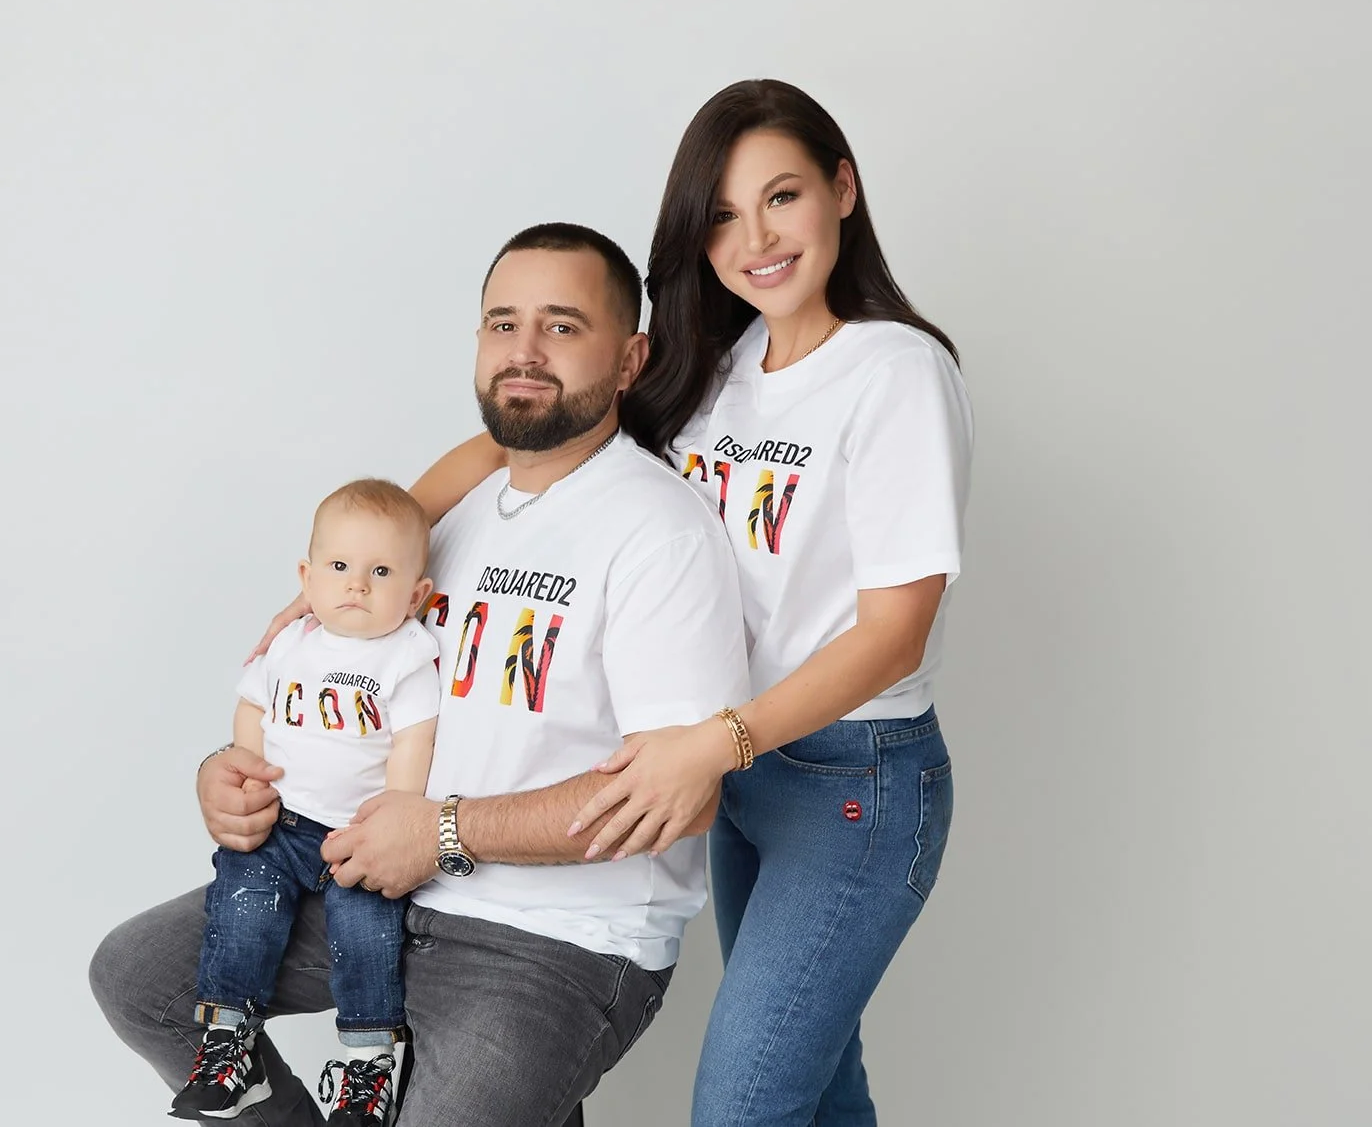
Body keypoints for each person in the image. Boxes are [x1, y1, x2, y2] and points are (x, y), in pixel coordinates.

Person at [275, 79, 974, 1126]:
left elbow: (893, 635)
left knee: (747, 1104)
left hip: (850, 783)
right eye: (723, 216)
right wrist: (353, 574)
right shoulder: (719, 366)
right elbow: (510, 444)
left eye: (782, 197)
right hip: (727, 773)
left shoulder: (896, 371)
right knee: (817, 1086)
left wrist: (717, 742)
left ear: (843, 189)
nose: (756, 239)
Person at [90, 222, 753, 1127]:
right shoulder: (445, 519)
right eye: (500, 324)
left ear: (630, 358)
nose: (523, 352)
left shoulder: (660, 534)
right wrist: (238, 773)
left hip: (553, 942)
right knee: (139, 977)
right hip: (379, 891)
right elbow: (361, 695)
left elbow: (674, 800)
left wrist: (441, 833)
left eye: (562, 327)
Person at [171, 480, 441, 1123]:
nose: (357, 585)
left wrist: (395, 813)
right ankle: (229, 1039)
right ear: (308, 576)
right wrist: (248, 772)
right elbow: (253, 708)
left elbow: (413, 741)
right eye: (340, 568)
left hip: (358, 833)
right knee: (242, 910)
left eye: (381, 572)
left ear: (417, 594)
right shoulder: (292, 642)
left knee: (366, 934)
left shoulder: (407, 656)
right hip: (283, 825)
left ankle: (368, 1064)